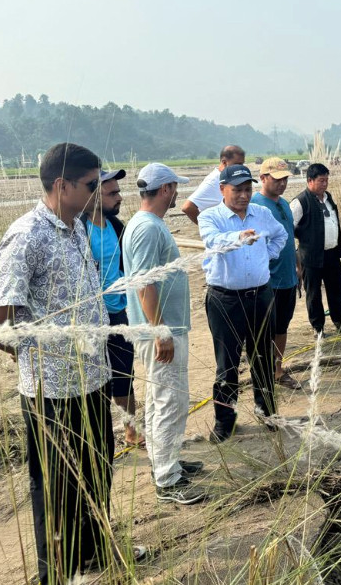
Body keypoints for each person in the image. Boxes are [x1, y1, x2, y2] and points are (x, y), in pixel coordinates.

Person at [0, 142, 116, 582]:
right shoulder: (25, 236)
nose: (97, 192)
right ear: (61, 185)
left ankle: (97, 556)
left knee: (99, 470)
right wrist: (49, 349)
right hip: (53, 391)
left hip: (93, 378)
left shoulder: (76, 225)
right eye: (90, 185)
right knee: (58, 487)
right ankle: (59, 574)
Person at [122, 163, 205, 504]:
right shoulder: (146, 228)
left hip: (160, 327)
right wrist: (162, 332)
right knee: (171, 401)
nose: (177, 194)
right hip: (159, 330)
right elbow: (145, 284)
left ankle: (165, 463)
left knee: (161, 401)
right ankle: (168, 480)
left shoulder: (147, 225)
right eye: (175, 188)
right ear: (167, 189)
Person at [198, 164, 288, 442]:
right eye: (237, 190)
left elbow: (281, 235)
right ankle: (225, 421)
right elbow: (212, 241)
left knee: (262, 356)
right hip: (225, 300)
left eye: (247, 189)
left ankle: (267, 411)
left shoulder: (261, 213)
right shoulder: (210, 216)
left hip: (260, 296)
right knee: (227, 363)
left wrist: (267, 255)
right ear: (222, 189)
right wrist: (238, 238)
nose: (243, 195)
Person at [82, 167, 144, 448]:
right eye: (112, 193)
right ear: (94, 195)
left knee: (124, 372)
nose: (119, 197)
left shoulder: (118, 226)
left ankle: (131, 431)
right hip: (91, 316)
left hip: (118, 310)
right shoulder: (79, 229)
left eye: (119, 191)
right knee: (93, 378)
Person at [250, 157, 301, 390]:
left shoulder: (284, 204)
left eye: (285, 179)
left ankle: (278, 370)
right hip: (268, 281)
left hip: (288, 277)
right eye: (277, 179)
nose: (282, 184)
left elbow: (289, 238)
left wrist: (297, 265)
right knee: (264, 331)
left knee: (282, 327)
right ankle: (263, 374)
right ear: (263, 178)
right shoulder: (255, 207)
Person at [290, 163, 341, 337]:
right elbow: (288, 230)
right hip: (310, 257)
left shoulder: (328, 198)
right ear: (310, 180)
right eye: (321, 180)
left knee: (337, 290)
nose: (325, 184)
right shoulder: (300, 202)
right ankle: (318, 328)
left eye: (327, 180)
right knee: (313, 294)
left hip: (332, 254)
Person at [182, 145, 246, 224]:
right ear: (224, 162)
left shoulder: (228, 178)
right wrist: (207, 227)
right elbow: (188, 207)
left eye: (242, 164)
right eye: (237, 164)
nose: (240, 168)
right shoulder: (214, 180)